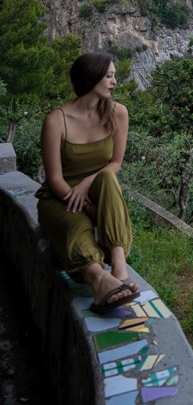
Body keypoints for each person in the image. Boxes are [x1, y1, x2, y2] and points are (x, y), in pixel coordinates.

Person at [36, 52, 139, 314]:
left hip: (98, 189)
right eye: (108, 75)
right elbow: (54, 179)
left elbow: (115, 163)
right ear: (90, 77)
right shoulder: (56, 121)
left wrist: (87, 185)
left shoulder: (118, 113)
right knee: (78, 225)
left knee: (106, 176)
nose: (114, 81)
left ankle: (118, 267)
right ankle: (100, 280)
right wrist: (83, 204)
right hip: (61, 197)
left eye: (114, 75)